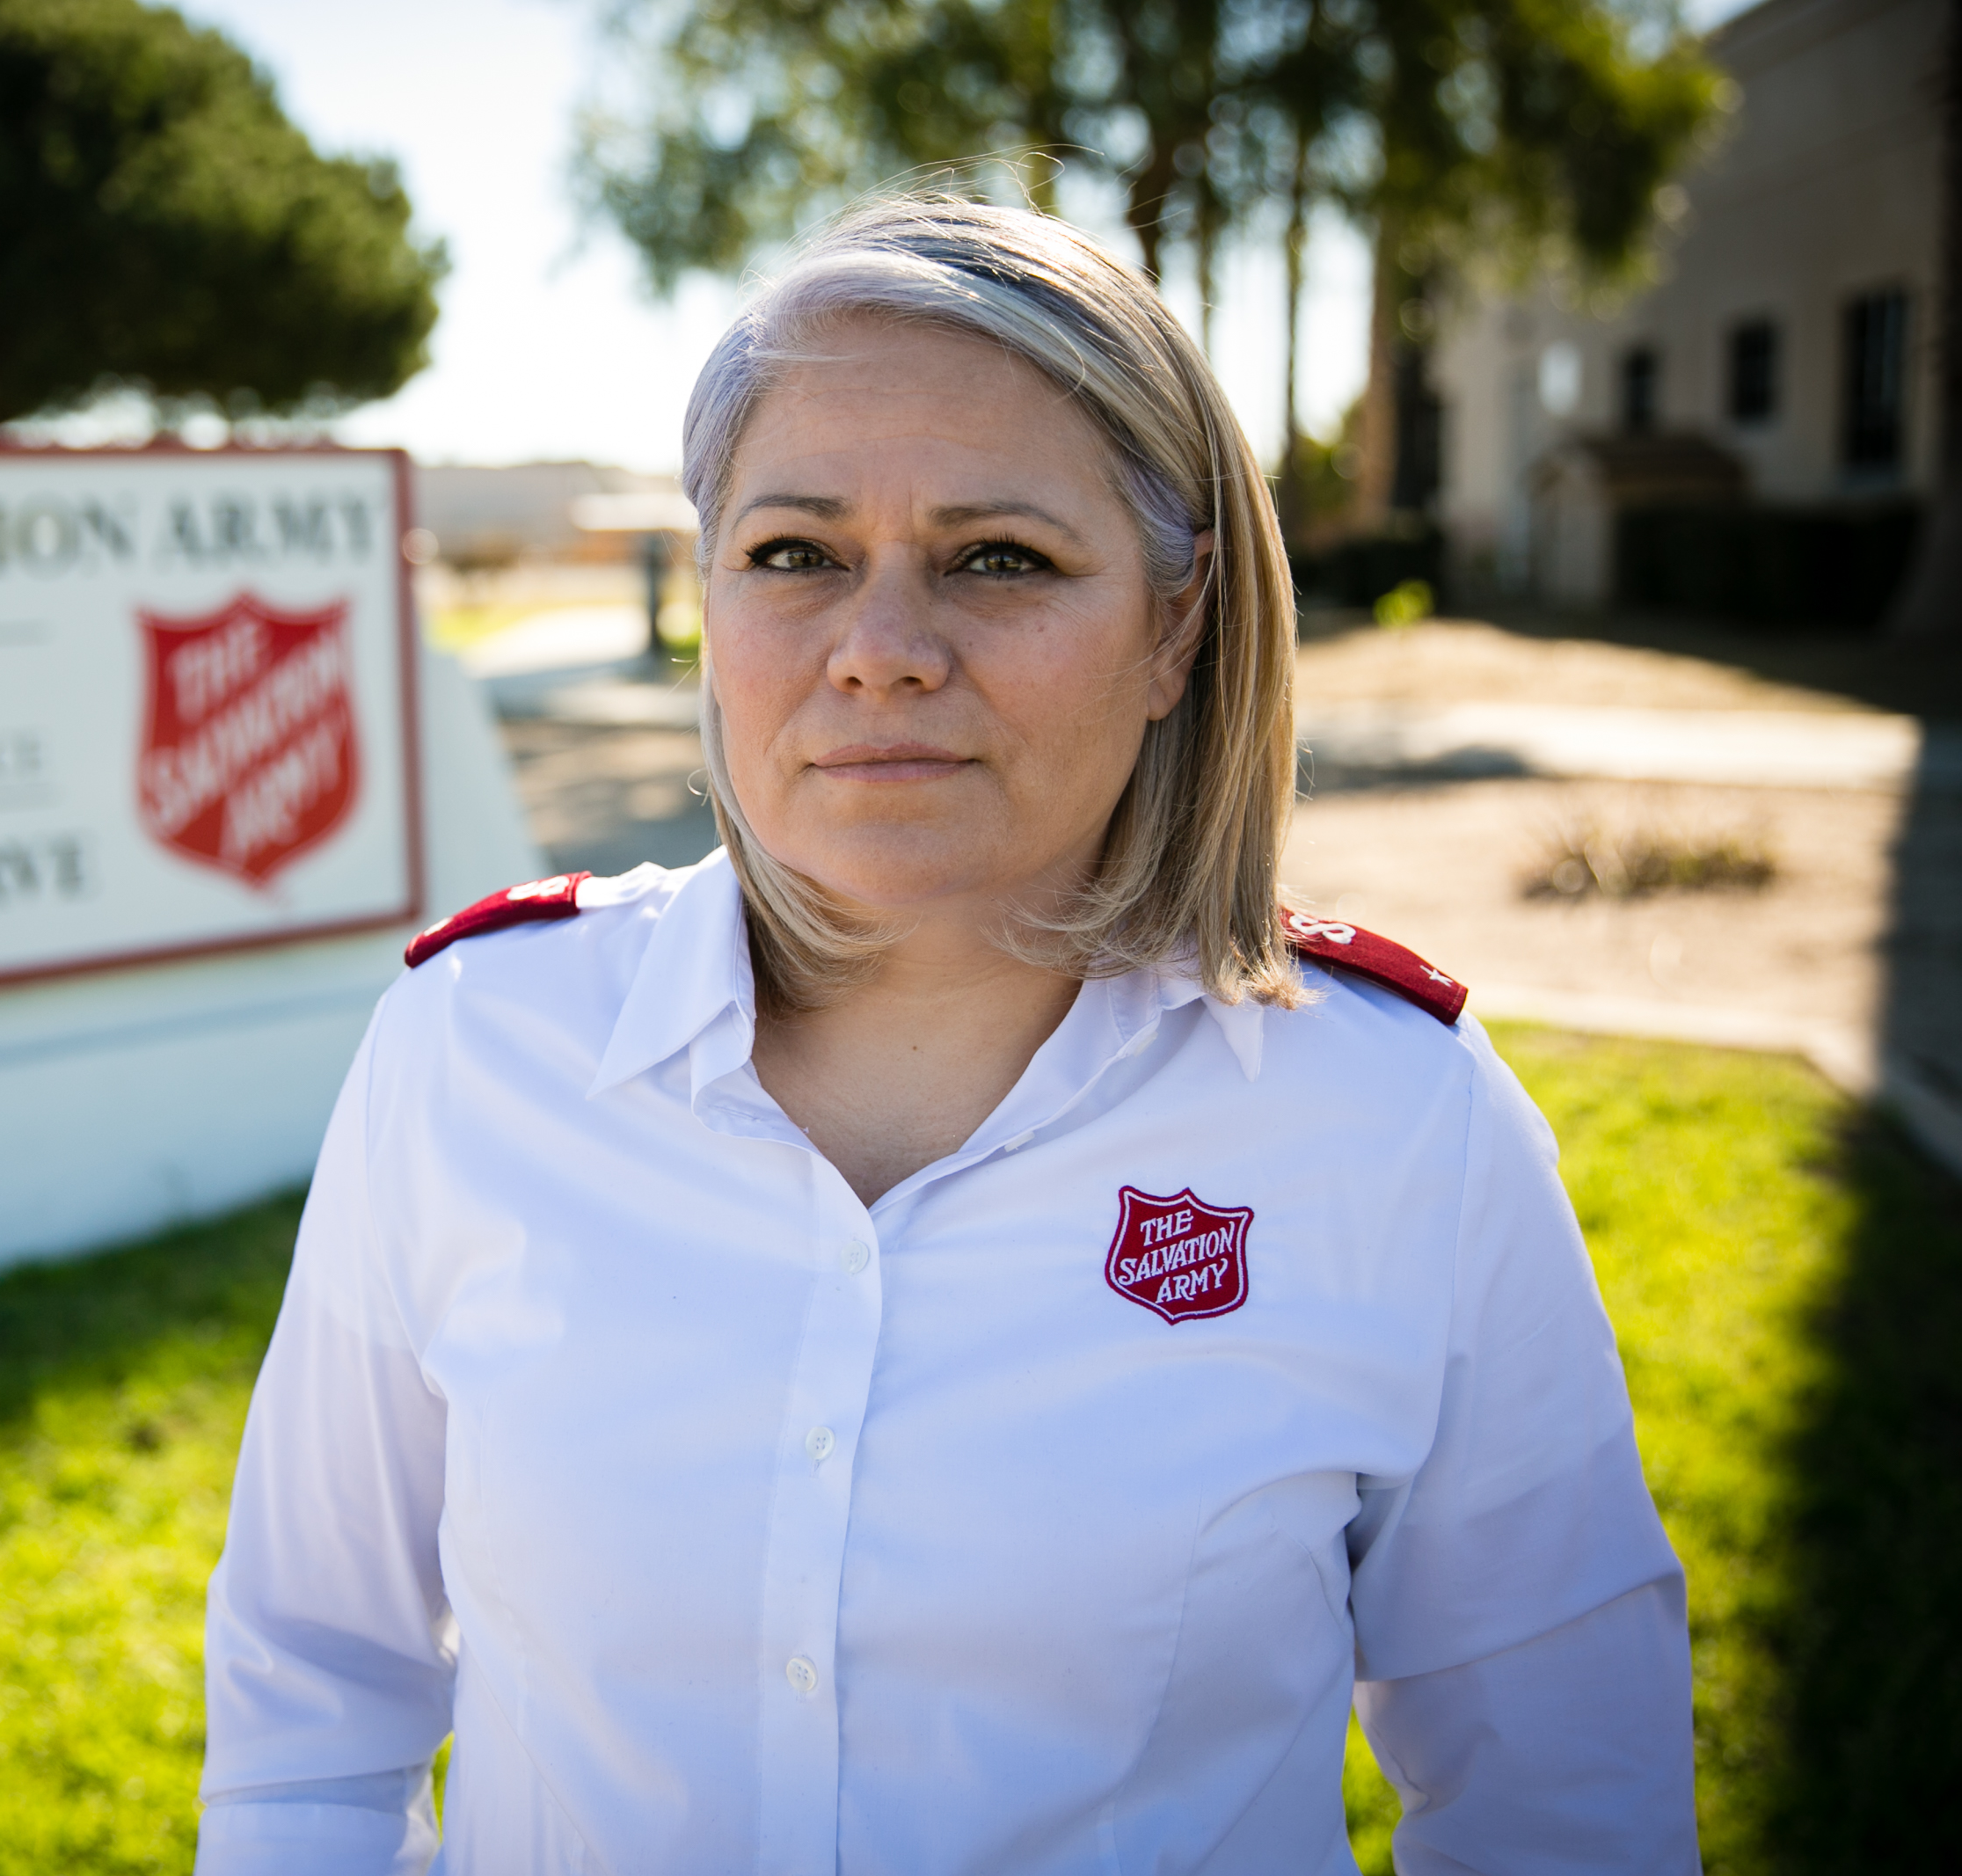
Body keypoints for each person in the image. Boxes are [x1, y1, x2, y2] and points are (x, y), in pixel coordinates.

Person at [195, 196, 1695, 1874]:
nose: (882, 651)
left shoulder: (1394, 1119)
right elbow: (312, 1692)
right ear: (711, 593)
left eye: (1001, 558)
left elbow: (1563, 1799)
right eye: (795, 554)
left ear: (1176, 627)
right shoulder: (474, 1048)